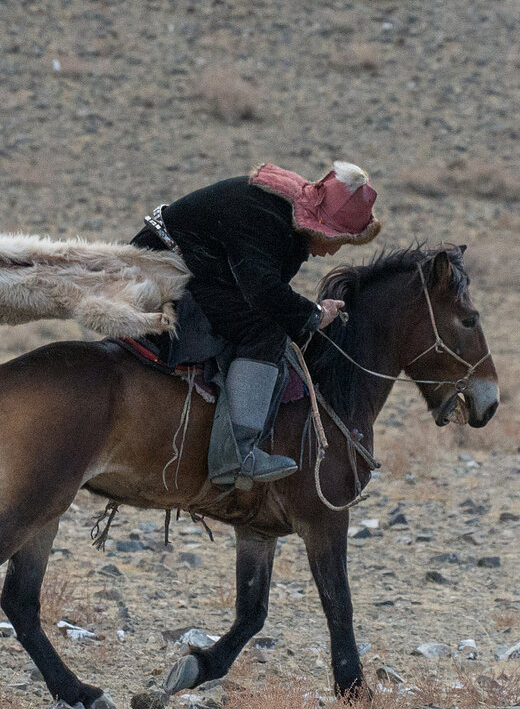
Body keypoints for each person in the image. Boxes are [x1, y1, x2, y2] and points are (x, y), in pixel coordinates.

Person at [134, 161, 381, 490]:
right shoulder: (265, 217)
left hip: (184, 265)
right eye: (338, 239)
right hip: (160, 273)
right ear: (320, 227)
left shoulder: (282, 211)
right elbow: (263, 291)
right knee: (264, 331)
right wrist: (313, 315)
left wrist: (308, 312)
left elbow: (263, 283)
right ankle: (237, 455)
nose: (334, 250)